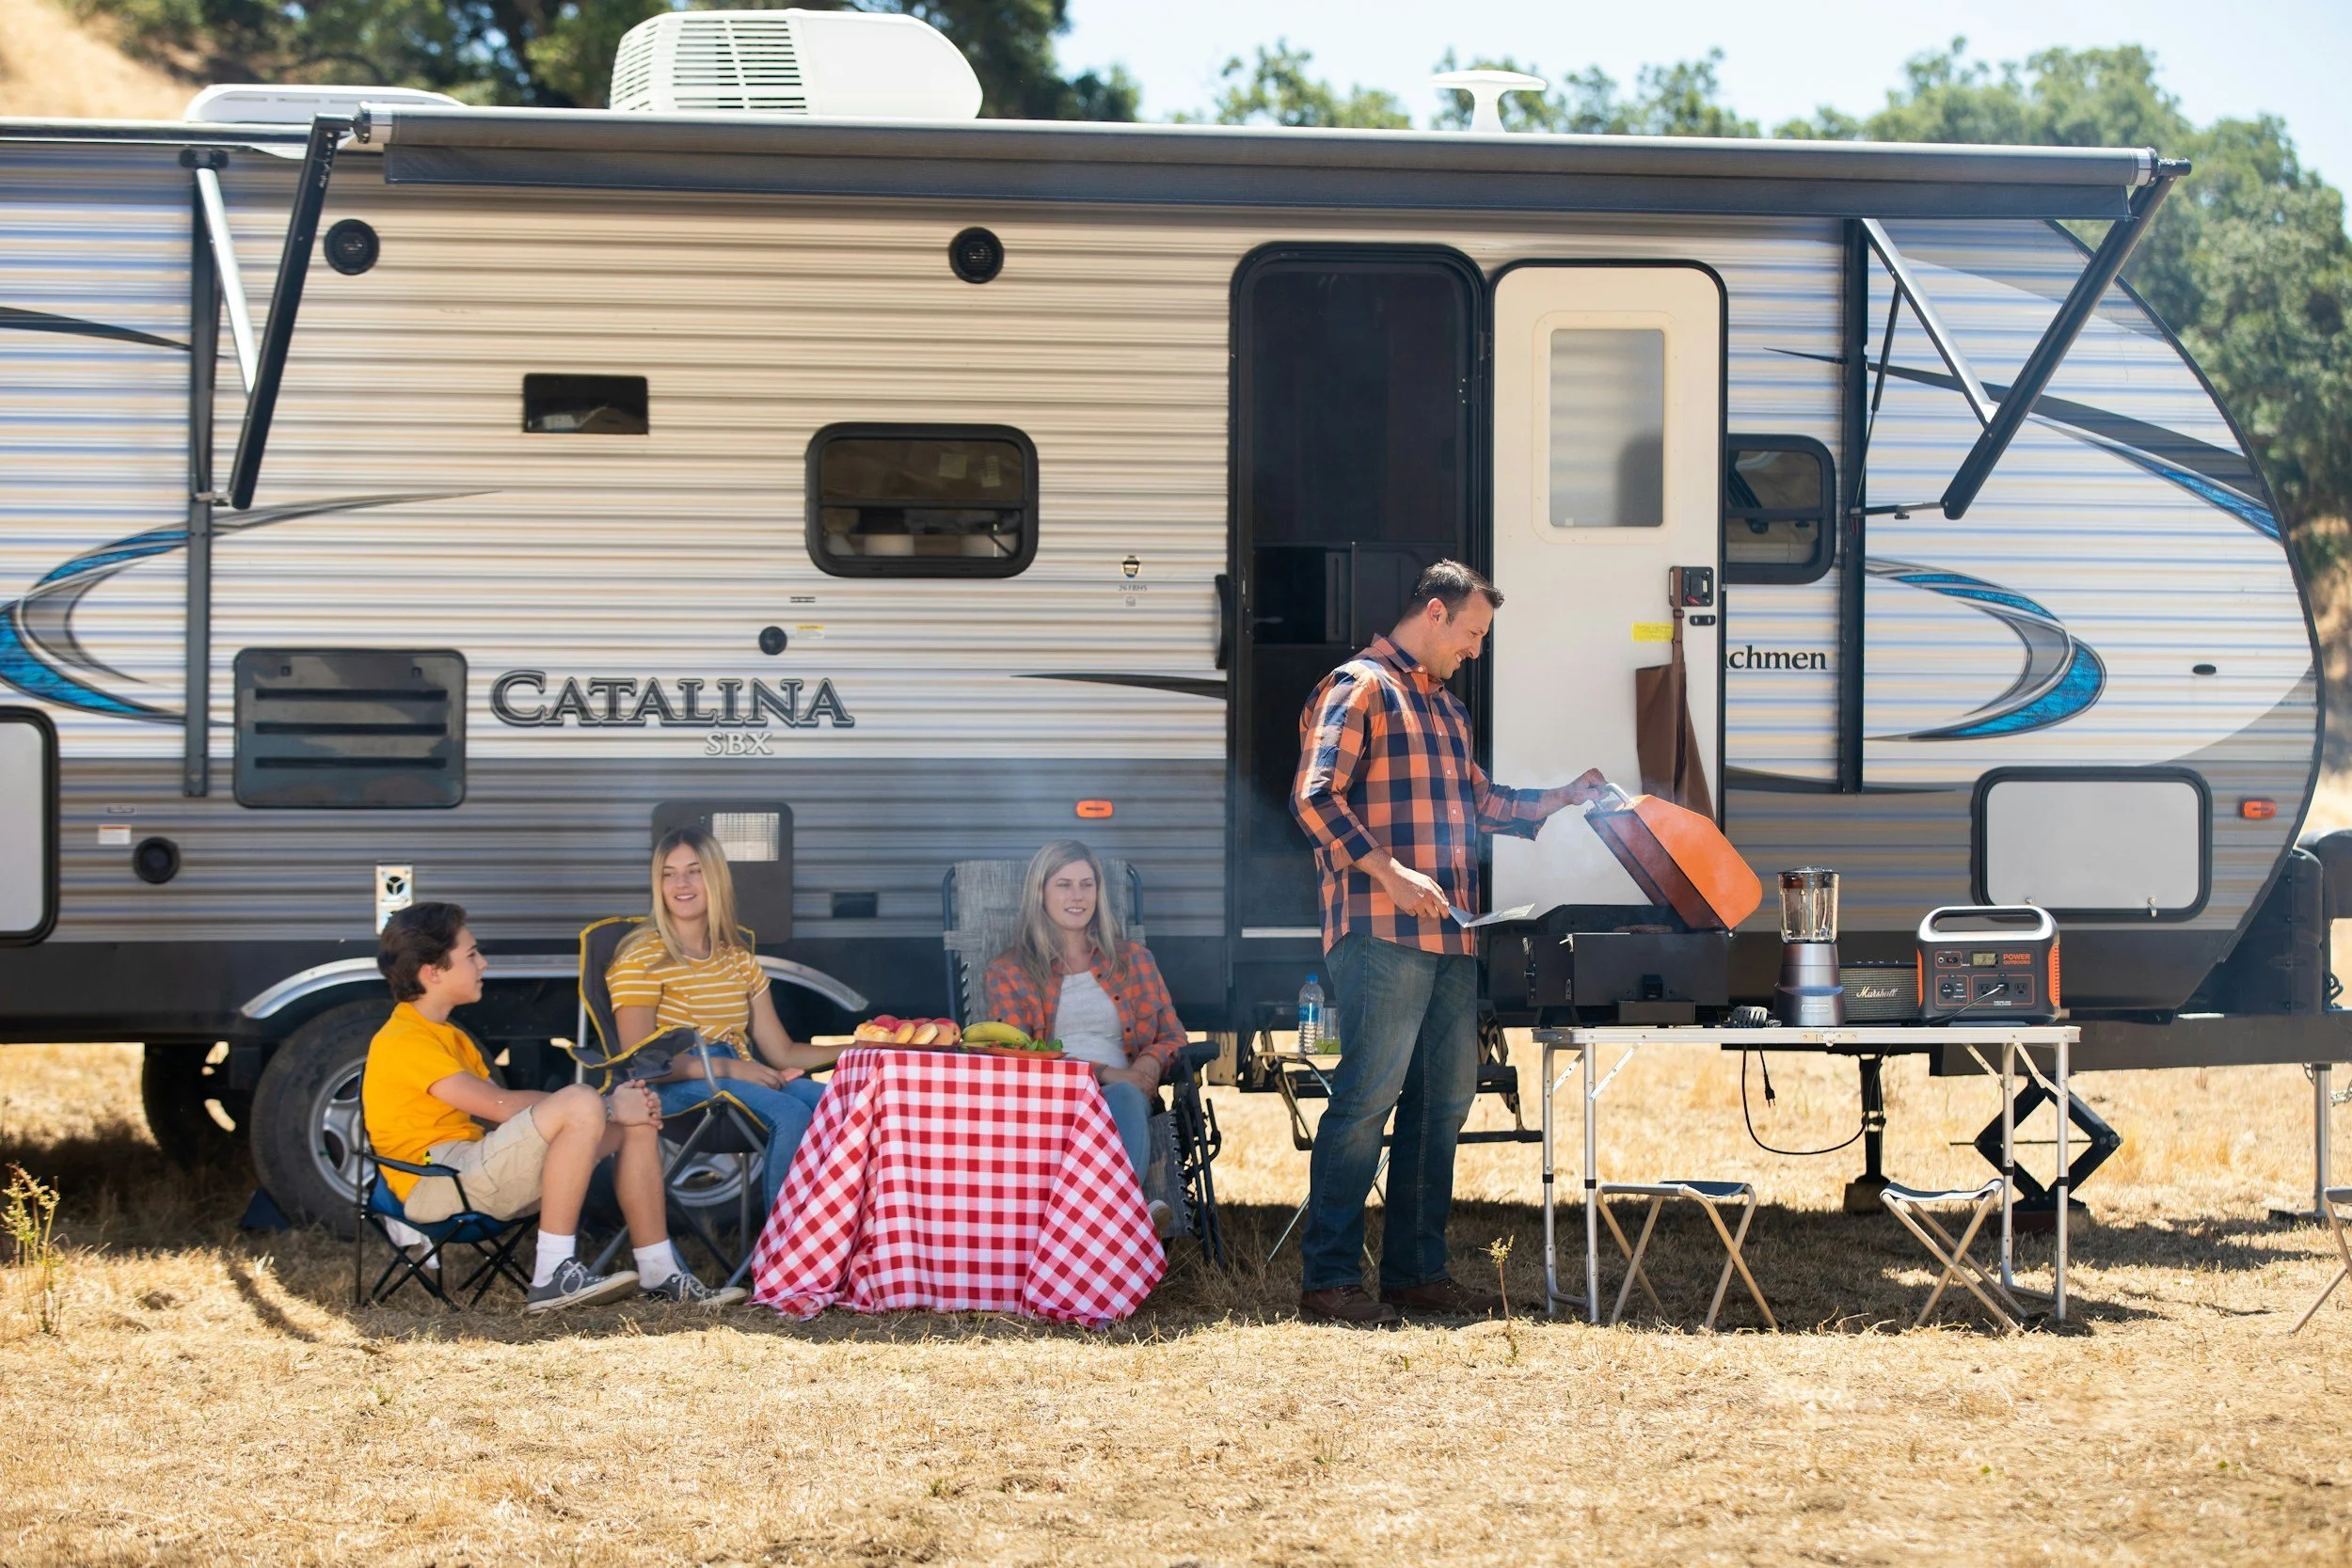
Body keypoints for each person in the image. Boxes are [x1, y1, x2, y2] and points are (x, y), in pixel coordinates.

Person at [1291, 560, 1608, 1325]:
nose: (1475, 649)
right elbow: (1314, 796)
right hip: (1381, 929)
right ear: (1433, 613)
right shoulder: (1359, 685)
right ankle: (1329, 1281)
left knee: (1442, 1104)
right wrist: (1390, 870)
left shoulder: (1447, 711)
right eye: (1470, 633)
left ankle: (1415, 1274)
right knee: (1368, 1097)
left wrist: (1562, 798)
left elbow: (1482, 801)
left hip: (1454, 935)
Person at [361, 901, 746, 1312]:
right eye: (471, 955)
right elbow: (502, 1107)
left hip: (469, 1168)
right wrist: (606, 1106)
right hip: (436, 1182)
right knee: (585, 1102)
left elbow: (519, 1119)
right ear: (432, 972)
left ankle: (659, 1270)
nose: (484, 964)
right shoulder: (404, 1039)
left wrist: (617, 1112)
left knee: (636, 1122)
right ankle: (551, 1275)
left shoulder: (450, 1036)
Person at [608, 827, 839, 1225]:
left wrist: (862, 1046)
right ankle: (782, 1258)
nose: (681, 883)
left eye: (694, 871)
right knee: (790, 1113)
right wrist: (730, 1068)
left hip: (737, 1077)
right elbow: (642, 1061)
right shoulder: (642, 957)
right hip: (673, 1086)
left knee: (835, 1106)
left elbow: (783, 1052)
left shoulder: (737, 959)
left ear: (715, 877)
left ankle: (830, 1240)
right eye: (668, 873)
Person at [981, 839, 1186, 1232]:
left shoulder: (1133, 961)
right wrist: (1108, 1073)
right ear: (1040, 893)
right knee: (1121, 1093)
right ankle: (1126, 1221)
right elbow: (1018, 1056)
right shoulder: (1009, 971)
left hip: (1123, 1098)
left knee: (1125, 1098)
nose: (1078, 896)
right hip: (1050, 1102)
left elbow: (1174, 1035)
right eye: (1063, 884)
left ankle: (1102, 1225)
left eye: (1087, 884)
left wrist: (1148, 1061)